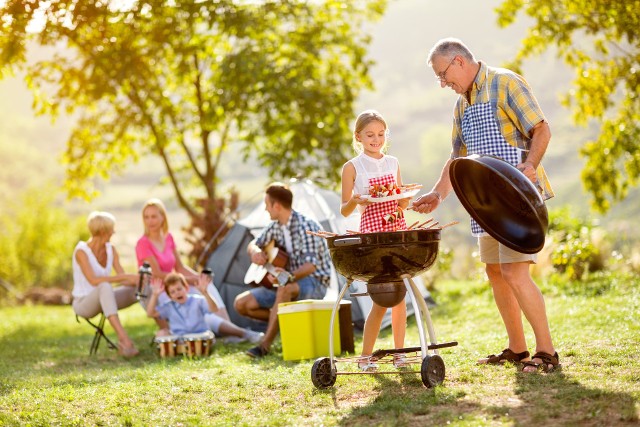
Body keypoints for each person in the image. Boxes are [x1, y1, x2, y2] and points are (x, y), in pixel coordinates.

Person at [413, 38, 559, 372]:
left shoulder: (504, 82)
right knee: (495, 273)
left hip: (517, 200)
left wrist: (531, 165)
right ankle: (518, 349)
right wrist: (438, 193)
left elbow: (541, 128)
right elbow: (457, 157)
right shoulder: (461, 105)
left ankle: (547, 351)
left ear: (459, 61)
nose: (442, 83)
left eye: (443, 74)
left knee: (514, 272)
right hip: (484, 205)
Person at [340, 109, 410, 371]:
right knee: (382, 298)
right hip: (373, 235)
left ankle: (400, 354)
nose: (376, 139)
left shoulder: (393, 162)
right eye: (370, 135)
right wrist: (356, 201)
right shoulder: (352, 167)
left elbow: (400, 199)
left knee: (400, 296)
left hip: (396, 229)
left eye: (381, 134)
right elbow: (344, 209)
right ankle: (365, 357)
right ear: (358, 137)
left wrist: (404, 200)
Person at [234, 182, 333, 358]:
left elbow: (311, 266)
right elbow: (254, 243)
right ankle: (283, 323)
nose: (266, 210)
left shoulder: (307, 226)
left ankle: (264, 345)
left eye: (267, 205)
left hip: (315, 283)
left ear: (277, 206)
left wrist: (284, 277)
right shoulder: (275, 226)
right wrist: (255, 252)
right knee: (241, 304)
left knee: (284, 287)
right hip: (287, 283)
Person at [136, 198, 244, 339]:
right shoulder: (143, 243)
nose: (150, 221)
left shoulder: (168, 238)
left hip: (177, 283)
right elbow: (156, 273)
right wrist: (188, 280)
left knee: (207, 285)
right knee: (191, 296)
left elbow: (179, 267)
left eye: (154, 216)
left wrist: (199, 278)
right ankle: (221, 331)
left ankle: (229, 328)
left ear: (163, 217)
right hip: (162, 289)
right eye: (146, 217)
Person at [72, 211, 140, 357]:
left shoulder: (111, 249)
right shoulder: (81, 251)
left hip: (106, 299)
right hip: (83, 303)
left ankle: (166, 332)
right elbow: (93, 280)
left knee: (139, 289)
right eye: (111, 229)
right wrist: (125, 276)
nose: (114, 232)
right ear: (103, 231)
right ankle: (124, 340)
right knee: (104, 285)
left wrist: (137, 279)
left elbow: (122, 277)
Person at [146, 273, 264, 344]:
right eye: (173, 292)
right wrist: (155, 295)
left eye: (179, 289)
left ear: (186, 288)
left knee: (210, 325)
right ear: (169, 295)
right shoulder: (169, 306)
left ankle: (246, 334)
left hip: (201, 337)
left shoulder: (197, 300)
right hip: (181, 339)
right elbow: (150, 314)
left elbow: (214, 309)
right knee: (161, 334)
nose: (177, 293)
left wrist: (205, 293)